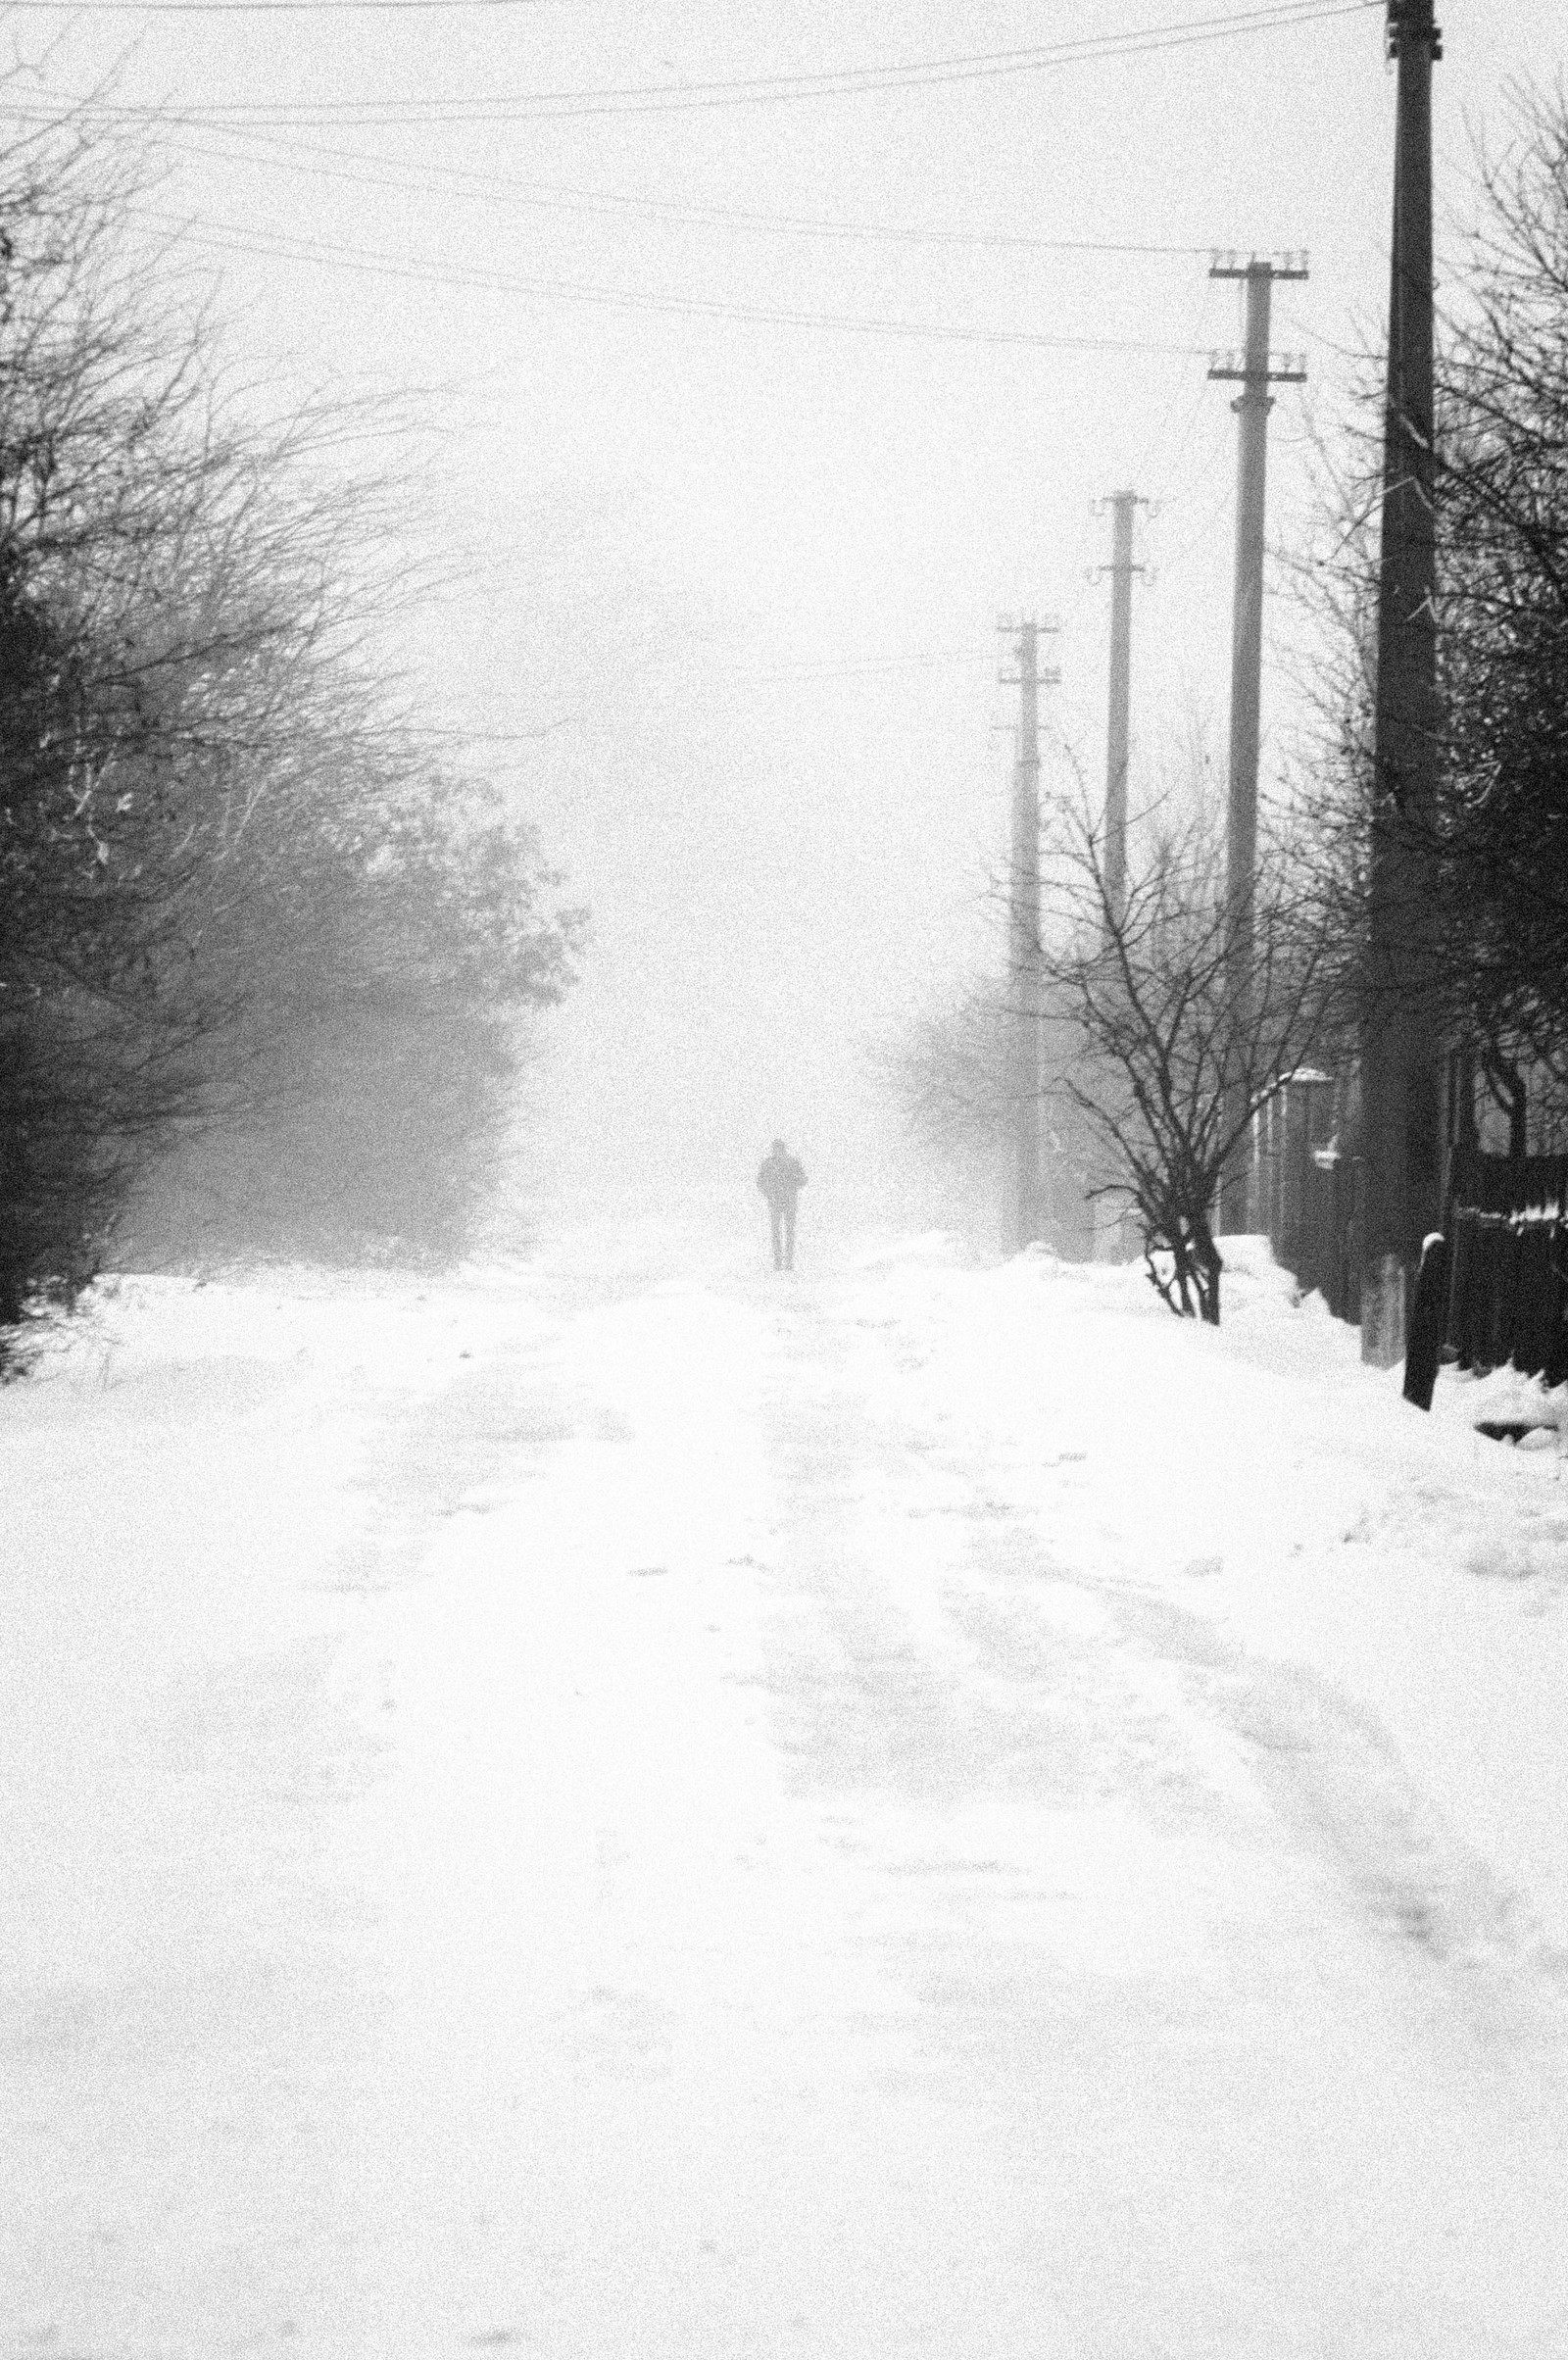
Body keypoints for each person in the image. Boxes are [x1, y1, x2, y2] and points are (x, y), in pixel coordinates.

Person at [757, 1138, 807, 1271]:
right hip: (782, 1201)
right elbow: (761, 1182)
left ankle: (784, 1262)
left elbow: (802, 1180)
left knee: (783, 1232)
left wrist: (770, 1192)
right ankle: (782, 1262)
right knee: (782, 1232)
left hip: (781, 1201)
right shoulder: (789, 1163)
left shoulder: (771, 1163)